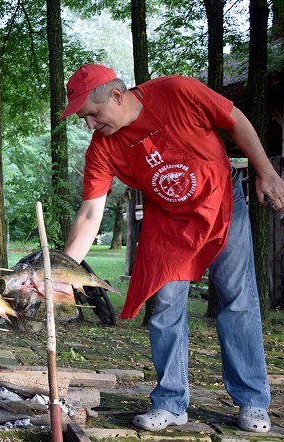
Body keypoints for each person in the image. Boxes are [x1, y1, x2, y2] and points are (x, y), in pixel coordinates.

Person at [59, 63, 284, 433]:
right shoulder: (102, 149)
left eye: (93, 115)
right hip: (168, 220)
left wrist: (266, 172)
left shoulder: (177, 91)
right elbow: (89, 213)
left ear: (117, 95)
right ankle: (171, 402)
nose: (90, 126)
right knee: (164, 305)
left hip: (221, 202)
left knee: (237, 297)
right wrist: (64, 272)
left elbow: (236, 119)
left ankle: (252, 402)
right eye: (84, 119)